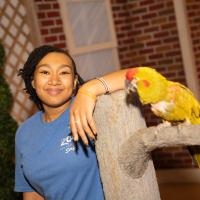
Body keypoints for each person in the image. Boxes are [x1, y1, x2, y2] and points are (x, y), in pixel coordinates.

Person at [15, 45, 129, 200]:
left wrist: (89, 90)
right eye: (45, 72)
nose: (54, 80)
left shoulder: (91, 109)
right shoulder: (24, 132)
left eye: (64, 72)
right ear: (33, 82)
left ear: (74, 81)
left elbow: (141, 76)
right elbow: (33, 193)